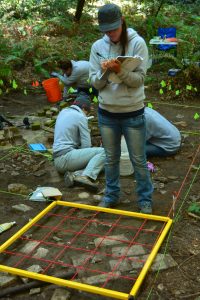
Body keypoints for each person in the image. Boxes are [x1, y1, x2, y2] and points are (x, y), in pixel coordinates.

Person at [89, 3, 154, 213]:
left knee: (138, 159)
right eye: (106, 30)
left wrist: (120, 70)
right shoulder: (97, 47)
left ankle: (145, 200)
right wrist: (105, 73)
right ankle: (111, 195)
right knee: (110, 158)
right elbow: (94, 83)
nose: (110, 34)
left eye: (114, 29)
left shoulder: (138, 43)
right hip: (106, 113)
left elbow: (139, 80)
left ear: (122, 22)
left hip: (133, 112)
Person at [53, 93, 106, 191]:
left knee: (98, 163)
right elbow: (86, 145)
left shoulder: (63, 112)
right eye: (87, 113)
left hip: (58, 159)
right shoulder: (80, 116)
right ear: (84, 108)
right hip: (66, 158)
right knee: (104, 153)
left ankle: (74, 175)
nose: (86, 115)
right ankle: (85, 176)